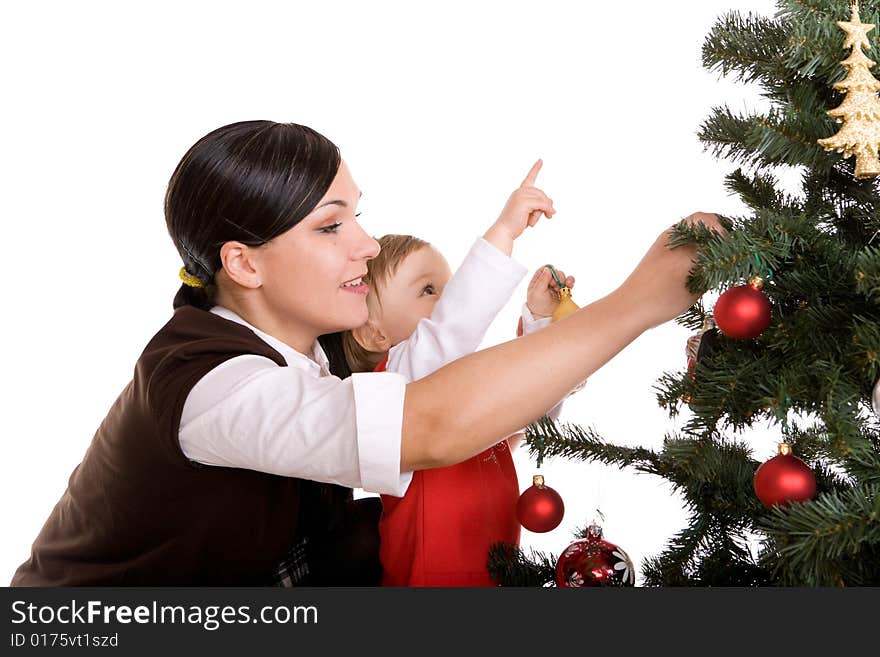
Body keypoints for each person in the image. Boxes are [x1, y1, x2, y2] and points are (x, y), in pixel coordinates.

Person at [10, 120, 725, 586]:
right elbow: (431, 424)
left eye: (358, 213)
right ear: (245, 265)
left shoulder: (317, 352)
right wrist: (637, 303)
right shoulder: (210, 384)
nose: (368, 245)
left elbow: (452, 375)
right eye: (331, 226)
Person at [341, 167, 583, 585]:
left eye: (451, 288)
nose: (450, 300)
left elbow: (533, 409)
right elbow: (450, 330)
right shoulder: (393, 384)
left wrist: (542, 323)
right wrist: (504, 233)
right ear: (374, 332)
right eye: (429, 290)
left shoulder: (462, 384)